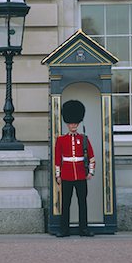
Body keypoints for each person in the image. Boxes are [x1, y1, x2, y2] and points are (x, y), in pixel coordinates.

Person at [55, 100, 95, 237]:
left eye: (75, 123)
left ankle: (83, 229)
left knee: (82, 203)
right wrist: (58, 175)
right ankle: (64, 229)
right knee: (65, 204)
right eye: (71, 123)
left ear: (78, 123)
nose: (73, 125)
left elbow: (91, 156)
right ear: (67, 124)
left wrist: (91, 172)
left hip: (81, 175)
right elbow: (57, 160)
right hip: (66, 175)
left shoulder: (84, 138)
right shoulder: (61, 140)